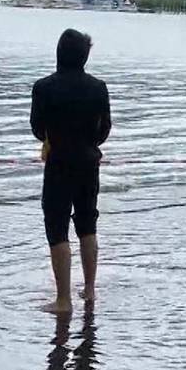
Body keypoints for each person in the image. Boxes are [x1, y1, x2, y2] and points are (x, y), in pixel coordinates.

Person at [30, 28, 112, 313]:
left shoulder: (43, 88)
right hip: (89, 162)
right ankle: (89, 290)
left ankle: (63, 299)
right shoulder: (99, 88)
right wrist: (90, 143)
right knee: (88, 224)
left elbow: (38, 129)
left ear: (59, 53)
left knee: (57, 227)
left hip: (58, 163)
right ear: (84, 57)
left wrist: (56, 138)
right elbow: (105, 129)